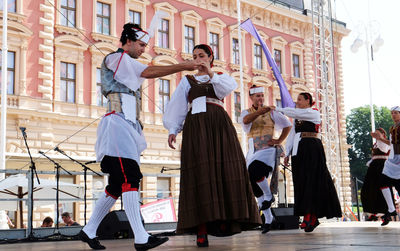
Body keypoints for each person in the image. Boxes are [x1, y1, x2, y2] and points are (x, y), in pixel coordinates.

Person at [79, 23, 199, 251]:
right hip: (117, 124)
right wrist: (183, 66)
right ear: (129, 41)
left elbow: (143, 72)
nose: (144, 49)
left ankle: (89, 230)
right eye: (142, 44)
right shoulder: (115, 58)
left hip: (128, 125)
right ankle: (141, 236)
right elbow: (147, 71)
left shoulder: (126, 63)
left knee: (116, 184)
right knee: (129, 176)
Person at [163, 44, 261, 247]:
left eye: (201, 55)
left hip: (218, 124)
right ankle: (201, 228)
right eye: (194, 56)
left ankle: (225, 220)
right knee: (201, 172)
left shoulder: (219, 76)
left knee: (225, 169)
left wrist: (210, 73)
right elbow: (178, 105)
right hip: (196, 126)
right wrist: (173, 129)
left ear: (210, 57)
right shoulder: (186, 81)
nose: (198, 59)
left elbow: (228, 88)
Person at [271, 92, 342, 232]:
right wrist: (288, 152)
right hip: (299, 149)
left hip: (312, 147)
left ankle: (312, 215)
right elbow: (292, 134)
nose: (297, 102)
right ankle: (308, 215)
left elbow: (294, 113)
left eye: (299, 99)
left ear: (308, 100)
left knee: (312, 181)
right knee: (301, 182)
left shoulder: (313, 113)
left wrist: (278, 109)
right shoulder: (297, 117)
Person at [239, 85, 292, 233]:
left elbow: (287, 125)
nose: (261, 99)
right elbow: (245, 121)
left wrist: (279, 140)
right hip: (252, 149)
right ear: (251, 98)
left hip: (267, 149)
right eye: (258, 96)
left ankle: (269, 195)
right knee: (252, 181)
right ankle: (268, 219)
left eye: (262, 96)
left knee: (255, 169)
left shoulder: (272, 112)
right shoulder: (246, 112)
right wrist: (261, 111)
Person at [374, 106, 400, 226]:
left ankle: (392, 210)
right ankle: (391, 210)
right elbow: (392, 143)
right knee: (382, 182)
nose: (393, 115)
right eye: (392, 113)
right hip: (392, 160)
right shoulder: (393, 128)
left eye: (396, 113)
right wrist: (380, 139)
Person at [360, 128, 392, 221]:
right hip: (374, 167)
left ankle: (385, 212)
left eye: (378, 133)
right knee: (368, 188)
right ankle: (372, 211)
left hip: (382, 166)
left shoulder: (385, 142)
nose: (376, 135)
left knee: (382, 188)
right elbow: (375, 156)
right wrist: (370, 162)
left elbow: (385, 150)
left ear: (382, 134)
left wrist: (380, 138)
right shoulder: (376, 144)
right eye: (375, 133)